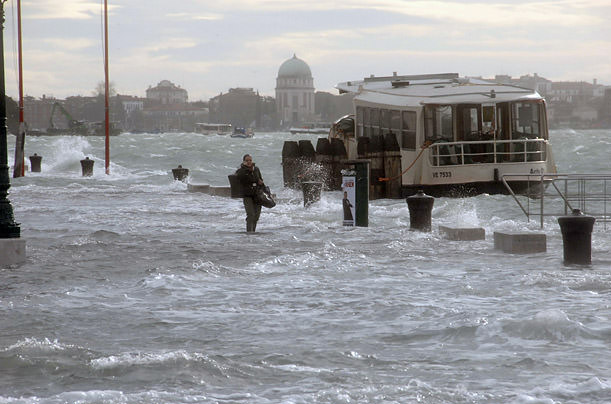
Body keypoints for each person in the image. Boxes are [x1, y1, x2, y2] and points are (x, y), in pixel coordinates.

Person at [236, 154, 264, 233]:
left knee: (256, 216)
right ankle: (249, 232)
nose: (249, 162)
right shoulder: (241, 171)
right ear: (244, 161)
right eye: (247, 160)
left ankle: (253, 232)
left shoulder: (256, 169)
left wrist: (261, 183)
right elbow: (240, 177)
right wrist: (245, 169)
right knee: (251, 215)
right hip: (247, 195)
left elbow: (260, 179)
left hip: (257, 195)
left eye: (250, 160)